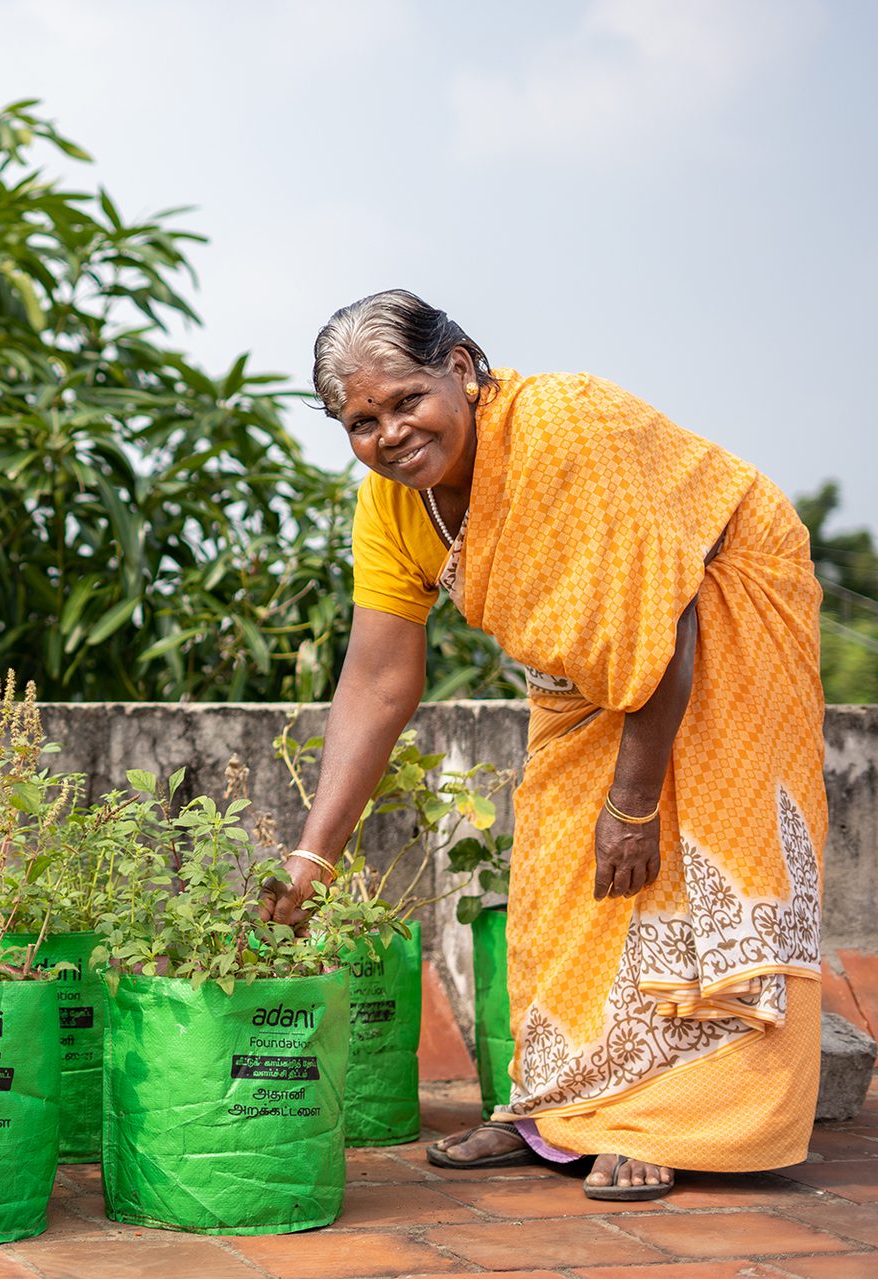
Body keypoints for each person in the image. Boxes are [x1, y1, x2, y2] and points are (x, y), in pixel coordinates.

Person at [263, 290, 826, 1200]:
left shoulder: (568, 426)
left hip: (722, 599)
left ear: (462, 365)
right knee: (562, 860)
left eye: (407, 399)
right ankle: (557, 1110)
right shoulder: (393, 506)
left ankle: (669, 1125)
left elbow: (665, 620)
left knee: (687, 854)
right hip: (595, 660)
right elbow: (377, 680)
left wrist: (635, 802)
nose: (392, 433)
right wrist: (309, 857)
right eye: (362, 421)